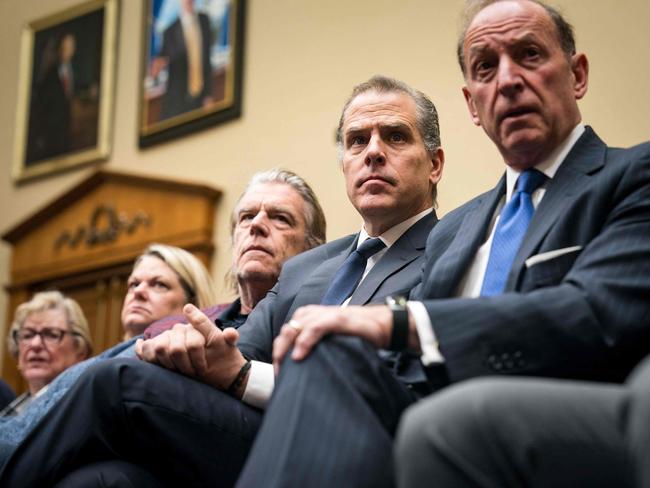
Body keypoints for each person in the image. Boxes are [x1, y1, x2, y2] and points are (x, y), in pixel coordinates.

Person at [230, 1, 650, 486]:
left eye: (529, 55)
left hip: (564, 411)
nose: (508, 80)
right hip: (423, 405)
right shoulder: (458, 228)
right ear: (473, 104)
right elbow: (404, 366)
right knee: (327, 349)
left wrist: (398, 321)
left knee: (436, 423)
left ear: (577, 75)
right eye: (486, 67)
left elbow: (596, 312)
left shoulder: (631, 176)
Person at [0, 75, 444, 486]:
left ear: (435, 164)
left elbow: (402, 391)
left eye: (396, 136)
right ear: (344, 163)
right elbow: (236, 350)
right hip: (246, 428)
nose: (372, 151)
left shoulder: (450, 250)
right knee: (105, 478)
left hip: (347, 443)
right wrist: (190, 352)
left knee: (114, 382)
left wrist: (243, 376)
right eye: (356, 140)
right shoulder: (309, 268)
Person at [0, 243, 217, 461]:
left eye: (159, 284)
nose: (138, 292)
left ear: (192, 303)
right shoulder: (107, 359)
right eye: (133, 284)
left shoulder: (188, 365)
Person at [394, 353, 650, 488]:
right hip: (418, 378)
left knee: (447, 423)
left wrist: (406, 323)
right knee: (352, 351)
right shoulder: (446, 251)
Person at [143, 169, 327, 340]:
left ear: (312, 249)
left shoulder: (322, 328)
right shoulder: (173, 330)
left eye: (280, 218)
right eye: (247, 216)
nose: (256, 224)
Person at [0, 291, 92, 416]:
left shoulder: (86, 410)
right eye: (28, 335)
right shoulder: (9, 413)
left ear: (80, 350)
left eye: (51, 334)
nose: (35, 344)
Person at [156, 0, 213, 121]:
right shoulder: (169, 32)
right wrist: (157, 67)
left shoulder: (204, 21)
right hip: (178, 103)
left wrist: (208, 94)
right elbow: (160, 62)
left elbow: (207, 60)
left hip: (201, 99)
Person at [26, 33, 77, 163]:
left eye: (70, 47)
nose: (67, 51)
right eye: (64, 47)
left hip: (66, 129)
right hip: (51, 131)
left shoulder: (71, 70)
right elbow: (42, 106)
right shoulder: (51, 75)